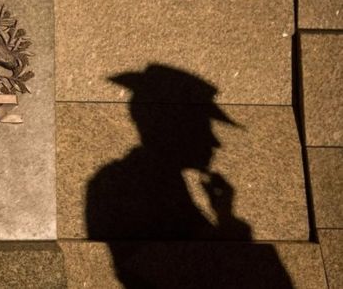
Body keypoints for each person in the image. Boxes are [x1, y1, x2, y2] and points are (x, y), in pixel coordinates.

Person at [86, 64, 292, 287]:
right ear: (171, 128)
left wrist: (225, 217)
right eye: (204, 126)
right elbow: (164, 270)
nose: (215, 141)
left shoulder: (161, 183)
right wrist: (226, 224)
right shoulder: (126, 184)